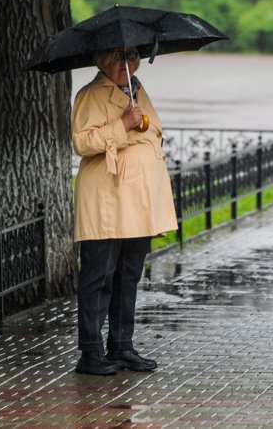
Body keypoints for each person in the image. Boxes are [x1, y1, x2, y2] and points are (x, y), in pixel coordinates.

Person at [71, 46, 178, 375]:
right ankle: (91, 352)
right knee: (99, 276)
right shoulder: (91, 95)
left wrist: (139, 126)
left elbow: (151, 130)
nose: (125, 64)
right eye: (118, 57)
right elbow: (82, 142)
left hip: (138, 200)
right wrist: (123, 126)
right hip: (108, 196)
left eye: (131, 56)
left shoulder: (137, 89)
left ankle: (121, 346)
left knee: (128, 276)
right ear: (103, 59)